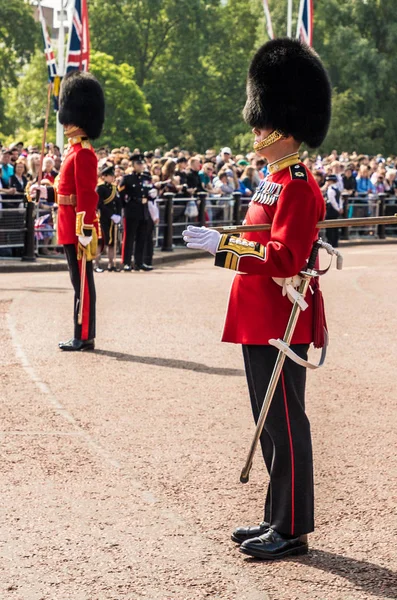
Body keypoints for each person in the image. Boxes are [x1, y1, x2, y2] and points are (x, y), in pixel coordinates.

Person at [183, 38, 331, 560]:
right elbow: (262, 239)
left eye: (261, 122)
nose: (254, 131)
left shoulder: (294, 182)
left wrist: (221, 246)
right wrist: (223, 241)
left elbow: (285, 258)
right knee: (268, 418)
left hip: (278, 315)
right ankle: (277, 515)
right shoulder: (273, 179)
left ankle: (291, 528)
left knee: (284, 419)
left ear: (283, 125)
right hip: (257, 312)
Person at [32, 71, 105, 351]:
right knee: (79, 283)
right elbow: (67, 192)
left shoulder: (84, 153)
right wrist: (45, 191)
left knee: (83, 284)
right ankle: (82, 332)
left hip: (78, 230)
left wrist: (88, 231)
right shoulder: (74, 153)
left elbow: (88, 196)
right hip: (67, 226)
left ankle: (84, 334)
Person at [118, 153, 153, 271]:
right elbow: (121, 195)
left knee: (141, 237)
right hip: (131, 210)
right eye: (138, 163)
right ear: (132, 165)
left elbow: (149, 192)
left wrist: (152, 196)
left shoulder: (146, 178)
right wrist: (125, 207)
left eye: (141, 163)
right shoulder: (127, 178)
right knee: (129, 238)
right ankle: (126, 262)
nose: (140, 165)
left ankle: (139, 262)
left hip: (143, 210)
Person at [95, 162, 122, 272]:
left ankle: (112, 264)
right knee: (101, 242)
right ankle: (97, 264)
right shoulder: (100, 188)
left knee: (112, 242)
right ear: (104, 176)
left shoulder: (115, 188)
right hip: (103, 218)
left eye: (113, 175)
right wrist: (111, 215)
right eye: (110, 175)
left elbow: (119, 203)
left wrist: (118, 215)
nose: (112, 177)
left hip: (113, 219)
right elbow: (99, 204)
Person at [324, 174, 343, 247]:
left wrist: (338, 208)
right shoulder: (337, 189)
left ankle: (331, 242)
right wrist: (340, 208)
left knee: (330, 227)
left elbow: (332, 201)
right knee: (335, 227)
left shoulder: (331, 189)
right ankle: (335, 242)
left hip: (331, 210)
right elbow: (340, 199)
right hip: (336, 210)